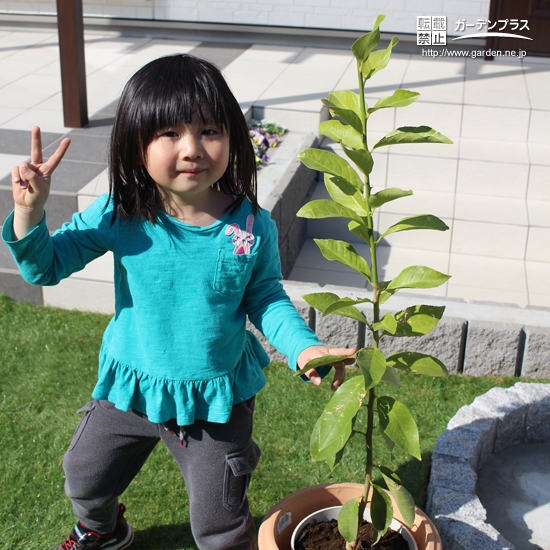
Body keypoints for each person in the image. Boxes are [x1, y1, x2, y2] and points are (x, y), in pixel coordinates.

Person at [2, 54, 356, 550]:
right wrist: (29, 212)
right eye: (169, 133)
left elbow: (266, 297)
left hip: (215, 403)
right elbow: (44, 267)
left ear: (233, 137)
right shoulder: (120, 211)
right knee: (83, 477)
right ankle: (102, 530)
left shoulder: (251, 226)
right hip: (131, 388)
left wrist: (304, 347)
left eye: (209, 129)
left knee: (218, 525)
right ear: (135, 143)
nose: (192, 149)